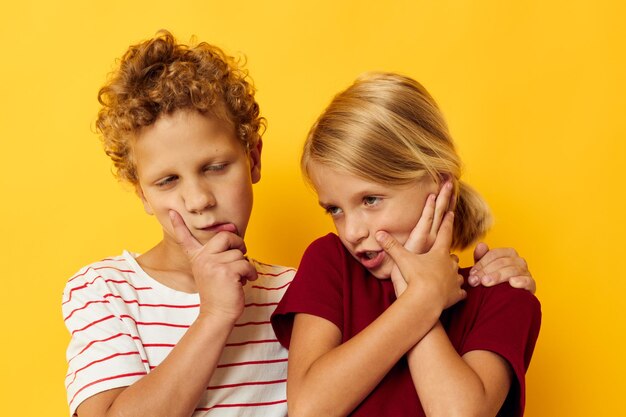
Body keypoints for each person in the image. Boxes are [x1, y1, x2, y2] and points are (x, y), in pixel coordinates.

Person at [62, 31, 536, 417]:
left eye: (215, 167)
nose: (199, 200)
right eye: (167, 180)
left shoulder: (296, 289)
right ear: (142, 192)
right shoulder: (105, 290)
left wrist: (448, 286)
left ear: (252, 159)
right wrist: (215, 315)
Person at [271, 72, 541, 417]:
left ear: (439, 185)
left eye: (370, 200)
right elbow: (309, 409)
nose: (351, 231)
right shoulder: (330, 263)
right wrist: (419, 300)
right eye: (334, 209)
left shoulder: (502, 295)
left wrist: (412, 286)